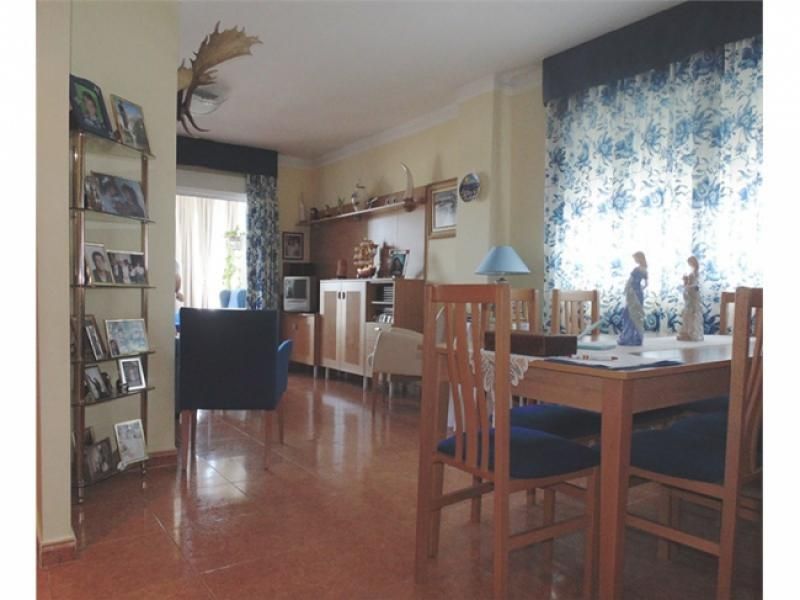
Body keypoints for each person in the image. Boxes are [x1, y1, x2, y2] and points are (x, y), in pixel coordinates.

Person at [618, 251, 648, 346]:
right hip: (639, 293)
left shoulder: (636, 270)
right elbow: (646, 284)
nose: (635, 260)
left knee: (629, 314)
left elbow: (630, 281)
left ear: (639, 258)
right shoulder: (645, 270)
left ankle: (628, 337)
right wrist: (640, 289)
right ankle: (637, 337)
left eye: (635, 258)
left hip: (633, 293)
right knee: (636, 315)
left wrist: (627, 289)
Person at [677, 256, 704, 341]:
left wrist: (687, 284)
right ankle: (687, 332)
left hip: (693, 294)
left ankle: (691, 333)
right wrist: (686, 282)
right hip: (691, 293)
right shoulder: (693, 272)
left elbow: (695, 284)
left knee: (692, 312)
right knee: (688, 313)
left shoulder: (695, 273)